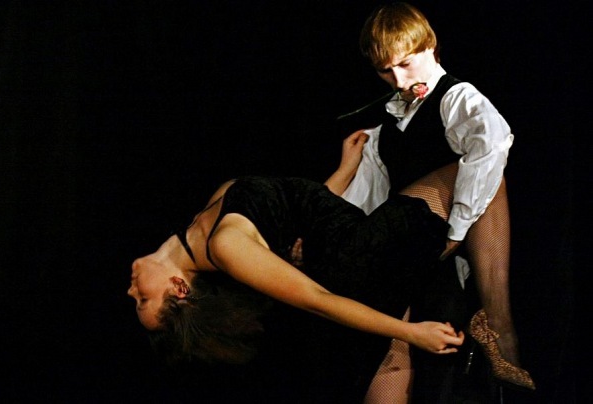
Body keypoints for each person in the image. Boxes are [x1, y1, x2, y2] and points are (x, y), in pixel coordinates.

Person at [128, 160, 467, 403]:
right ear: (180, 288)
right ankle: (493, 328)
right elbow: (317, 299)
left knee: (388, 361)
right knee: (473, 172)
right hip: (360, 256)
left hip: (351, 253)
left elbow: (293, 206)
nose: (131, 290)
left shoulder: (206, 222)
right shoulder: (224, 247)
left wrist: (345, 169)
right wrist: (412, 332)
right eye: (143, 299)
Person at [328, 1, 535, 394]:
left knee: (416, 357)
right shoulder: (382, 128)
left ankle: (496, 323)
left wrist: (455, 231)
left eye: (405, 64)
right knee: (389, 348)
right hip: (403, 244)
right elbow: (367, 201)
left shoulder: (457, 98)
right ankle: (497, 324)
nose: (397, 79)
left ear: (430, 47)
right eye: (385, 70)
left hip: (437, 248)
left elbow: (491, 144)